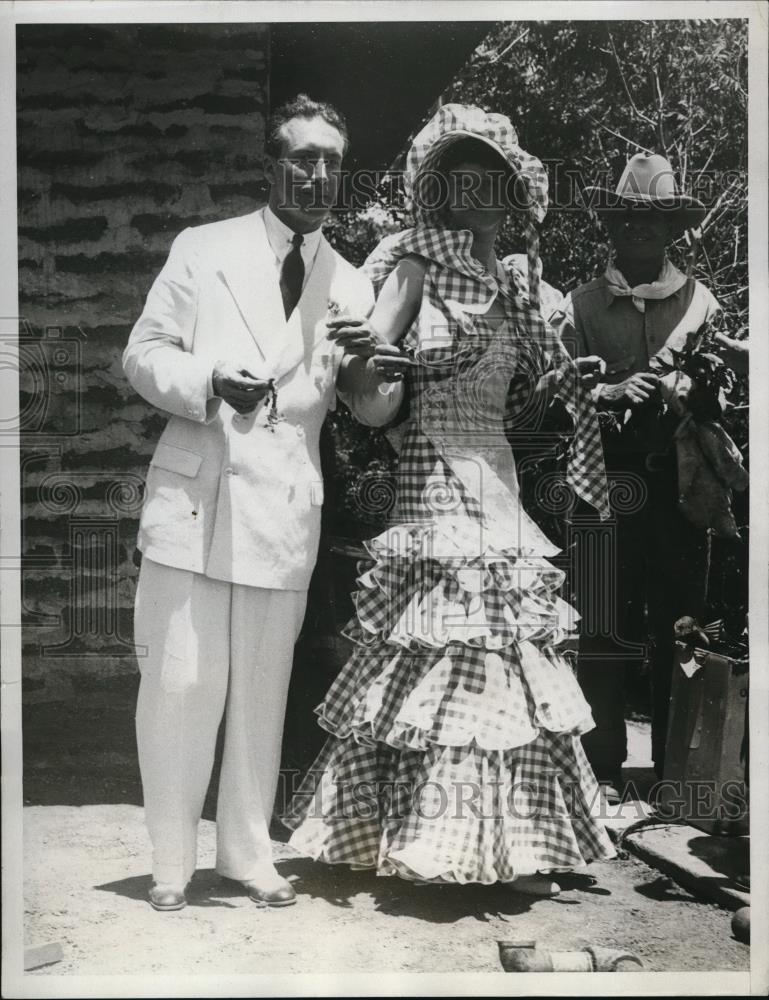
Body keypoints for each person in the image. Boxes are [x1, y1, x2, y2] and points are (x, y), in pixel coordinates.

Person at [283, 104, 616, 895]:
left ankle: (514, 844)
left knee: (504, 659)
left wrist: (567, 384)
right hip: (429, 473)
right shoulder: (409, 264)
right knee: (438, 658)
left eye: (490, 178)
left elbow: (529, 406)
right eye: (459, 178)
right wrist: (375, 359)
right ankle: (426, 843)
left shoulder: (523, 283)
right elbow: (368, 398)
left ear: (512, 191)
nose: (477, 192)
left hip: (495, 480)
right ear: (436, 190)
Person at [123, 94, 403, 911]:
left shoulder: (351, 282)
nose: (318, 177)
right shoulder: (203, 249)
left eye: (332, 164)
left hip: (283, 505)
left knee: (260, 690)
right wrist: (208, 381)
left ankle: (246, 853)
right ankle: (171, 864)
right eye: (303, 158)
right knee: (180, 684)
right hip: (197, 500)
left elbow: (370, 408)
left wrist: (372, 367)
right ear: (270, 164)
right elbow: (142, 354)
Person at [549, 152, 719, 790]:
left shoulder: (700, 303)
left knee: (682, 624)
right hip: (604, 483)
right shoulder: (582, 305)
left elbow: (723, 398)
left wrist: (688, 390)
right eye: (627, 217)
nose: (640, 228)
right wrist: (609, 393)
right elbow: (552, 394)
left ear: (674, 226)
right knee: (600, 623)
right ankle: (600, 769)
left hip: (680, 485)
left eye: (655, 218)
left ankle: (675, 770)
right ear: (612, 226)